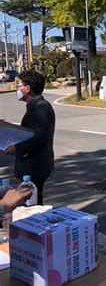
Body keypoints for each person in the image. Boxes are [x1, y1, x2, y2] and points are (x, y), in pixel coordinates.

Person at [3, 70, 55, 205]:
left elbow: (41, 137)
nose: (16, 88)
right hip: (30, 165)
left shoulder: (41, 108)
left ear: (28, 88)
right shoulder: (34, 106)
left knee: (31, 204)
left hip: (35, 166)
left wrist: (17, 148)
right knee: (30, 202)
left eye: (18, 85)